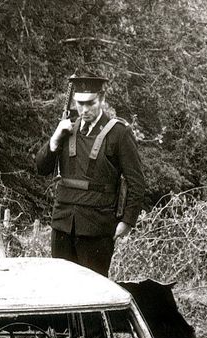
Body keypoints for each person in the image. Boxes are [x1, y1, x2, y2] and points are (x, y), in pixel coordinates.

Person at [35, 74, 145, 276]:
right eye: (79, 103)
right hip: (63, 223)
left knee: (93, 295)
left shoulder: (119, 133)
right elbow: (41, 168)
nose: (84, 110)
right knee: (60, 289)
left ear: (102, 99)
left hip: (97, 228)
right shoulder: (67, 128)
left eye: (90, 103)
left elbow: (137, 183)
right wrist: (55, 139)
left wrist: (127, 221)